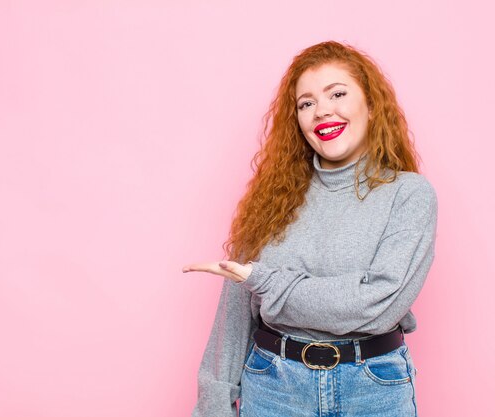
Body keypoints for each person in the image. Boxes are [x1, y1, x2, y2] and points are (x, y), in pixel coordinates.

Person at [182, 40, 437, 417]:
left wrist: (267, 283)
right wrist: (213, 405)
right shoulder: (272, 199)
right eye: (306, 103)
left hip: (374, 391)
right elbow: (233, 317)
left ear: (370, 104)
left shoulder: (409, 195)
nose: (322, 111)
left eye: (337, 93)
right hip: (273, 387)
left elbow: (380, 307)